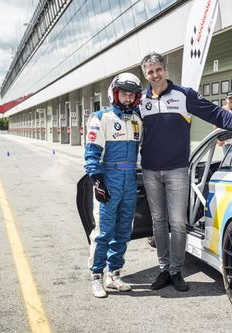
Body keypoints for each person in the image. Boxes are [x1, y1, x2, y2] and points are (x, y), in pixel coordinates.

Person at [139, 52, 232, 292]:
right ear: (145, 75)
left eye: (158, 70)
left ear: (165, 70)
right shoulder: (139, 101)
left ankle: (176, 271)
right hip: (150, 170)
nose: (155, 75)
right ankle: (163, 269)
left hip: (177, 169)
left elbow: (213, 112)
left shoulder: (184, 95)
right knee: (158, 221)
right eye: (150, 72)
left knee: (177, 222)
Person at [84, 73, 143, 298]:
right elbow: (91, 154)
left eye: (131, 95)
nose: (127, 99)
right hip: (109, 180)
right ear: (114, 94)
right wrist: (97, 181)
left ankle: (114, 274)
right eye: (124, 94)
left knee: (123, 231)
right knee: (103, 232)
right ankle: (97, 276)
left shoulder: (138, 121)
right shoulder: (101, 118)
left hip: (130, 181)